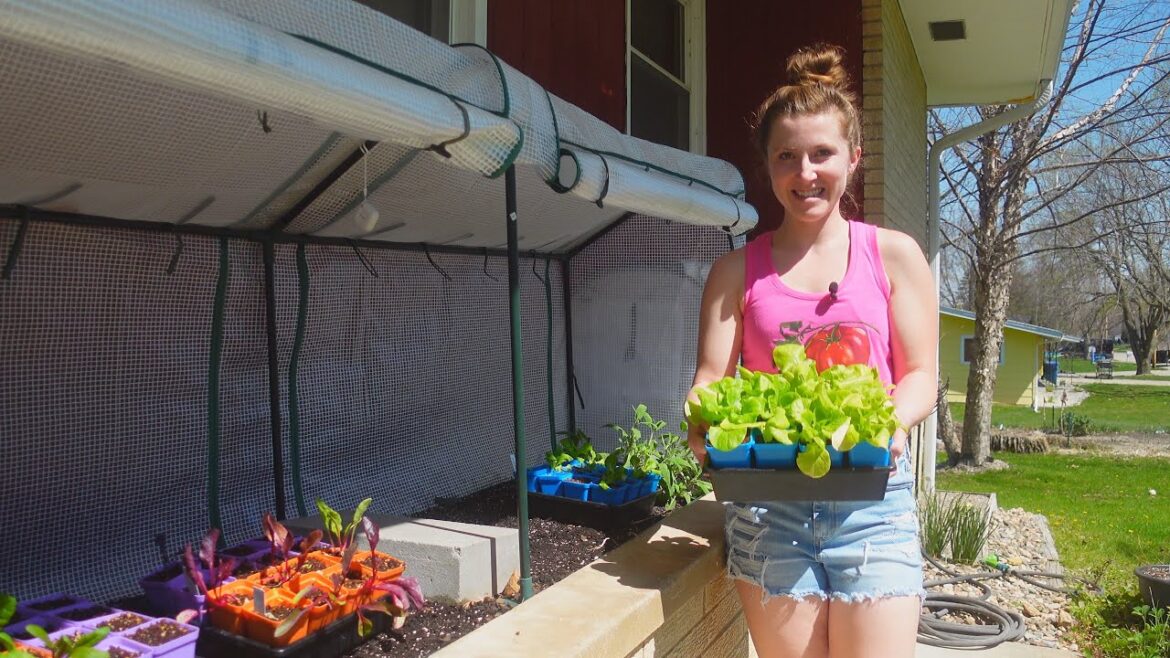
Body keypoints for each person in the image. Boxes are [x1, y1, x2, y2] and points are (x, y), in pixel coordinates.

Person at [686, 44, 938, 658]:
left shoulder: (894, 254)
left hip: (872, 503)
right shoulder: (733, 273)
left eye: (822, 153)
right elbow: (709, 380)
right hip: (770, 508)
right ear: (768, 168)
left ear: (853, 157)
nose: (806, 173)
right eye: (787, 157)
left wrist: (890, 422)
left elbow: (923, 375)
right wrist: (702, 423)